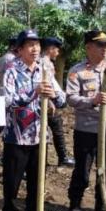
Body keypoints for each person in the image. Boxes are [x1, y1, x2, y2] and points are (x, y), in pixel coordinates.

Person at [0, 29, 67, 211]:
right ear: (19, 49)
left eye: (37, 45)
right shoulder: (11, 71)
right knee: (12, 180)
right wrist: (33, 92)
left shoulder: (44, 70)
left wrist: (53, 94)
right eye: (30, 45)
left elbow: (62, 100)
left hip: (39, 136)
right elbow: (8, 101)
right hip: (16, 136)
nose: (35, 49)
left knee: (37, 180)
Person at [64, 31, 106, 211]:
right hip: (87, 130)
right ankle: (75, 207)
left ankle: (101, 208)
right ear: (88, 47)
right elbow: (70, 98)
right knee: (82, 171)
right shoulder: (77, 71)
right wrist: (92, 101)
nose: (104, 49)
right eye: (100, 45)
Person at [41, 37, 75, 167]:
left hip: (47, 101)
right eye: (56, 49)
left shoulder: (46, 62)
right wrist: (50, 100)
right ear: (50, 49)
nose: (58, 52)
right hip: (44, 102)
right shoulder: (44, 63)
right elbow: (44, 83)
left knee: (54, 127)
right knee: (52, 128)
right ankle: (60, 158)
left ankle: (60, 158)